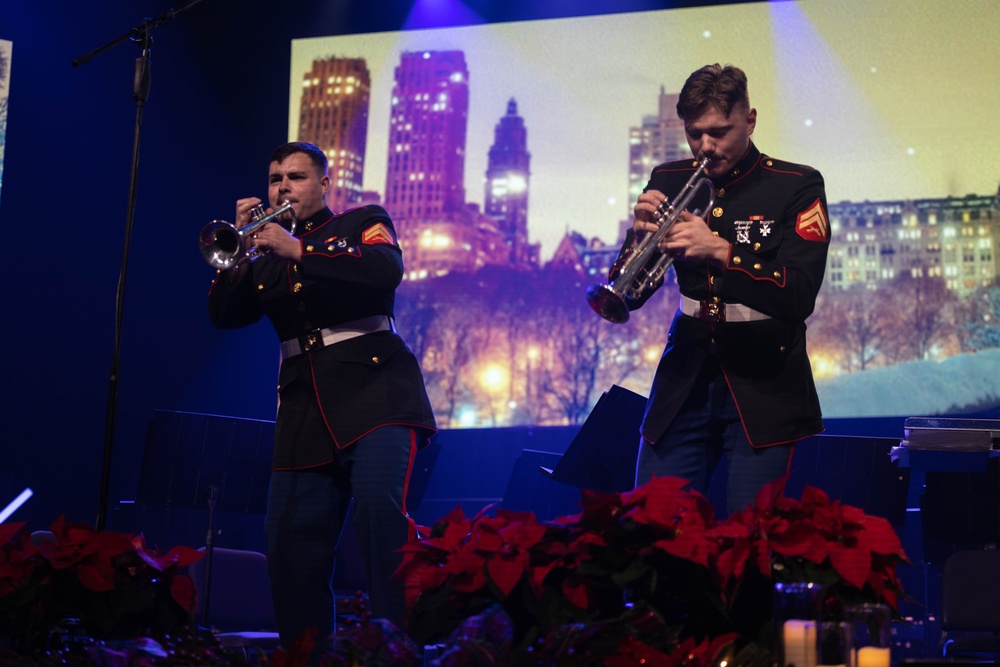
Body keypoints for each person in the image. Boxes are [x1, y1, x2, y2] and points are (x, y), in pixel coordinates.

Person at [207, 141, 437, 648]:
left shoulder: (361, 222)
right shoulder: (261, 254)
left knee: (379, 517)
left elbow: (384, 270)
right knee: (288, 546)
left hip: (377, 395)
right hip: (303, 410)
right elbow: (225, 316)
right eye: (275, 179)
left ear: (324, 184)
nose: (282, 187)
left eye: (296, 177)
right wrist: (239, 259)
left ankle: (395, 651)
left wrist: (300, 249)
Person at [613, 64, 829, 515]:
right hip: (684, 377)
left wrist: (723, 253)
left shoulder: (796, 184)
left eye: (718, 131)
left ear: (749, 121)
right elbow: (627, 296)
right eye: (695, 134)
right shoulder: (667, 179)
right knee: (652, 532)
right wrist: (637, 239)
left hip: (764, 381)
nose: (705, 147)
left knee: (748, 547)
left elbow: (799, 294)